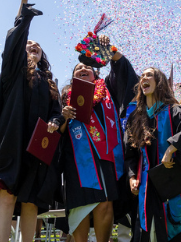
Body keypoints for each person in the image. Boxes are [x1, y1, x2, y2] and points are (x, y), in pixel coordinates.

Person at [0, 0, 62, 242]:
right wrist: (24, 4)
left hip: (38, 143)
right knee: (8, 194)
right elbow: (14, 42)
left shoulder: (50, 82)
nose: (33, 47)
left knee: (30, 200)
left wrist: (55, 120)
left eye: (38, 47)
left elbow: (57, 109)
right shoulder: (13, 71)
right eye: (29, 45)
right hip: (13, 138)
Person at [48, 37, 137, 242]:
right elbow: (56, 130)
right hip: (76, 162)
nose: (82, 68)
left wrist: (108, 50)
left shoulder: (108, 90)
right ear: (72, 77)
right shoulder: (65, 96)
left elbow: (124, 73)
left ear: (95, 72)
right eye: (77, 68)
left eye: (87, 67)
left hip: (105, 159)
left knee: (104, 203)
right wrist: (64, 117)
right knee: (80, 206)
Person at [125, 67, 181, 242]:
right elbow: (130, 154)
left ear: (159, 82)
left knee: (176, 232)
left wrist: (172, 148)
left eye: (149, 75)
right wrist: (132, 176)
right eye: (142, 76)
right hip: (146, 189)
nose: (144, 78)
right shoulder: (135, 119)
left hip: (172, 186)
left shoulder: (174, 111)